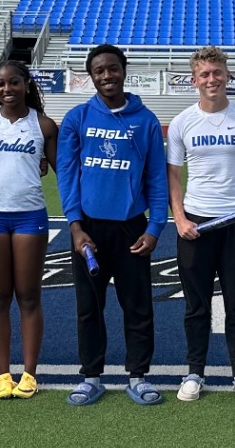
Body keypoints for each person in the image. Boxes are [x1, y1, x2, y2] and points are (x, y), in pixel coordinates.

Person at [57, 45, 169, 406]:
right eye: (99, 71)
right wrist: (75, 226)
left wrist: (155, 227)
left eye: (113, 68)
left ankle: (138, 376)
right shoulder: (77, 118)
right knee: (89, 306)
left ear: (124, 70)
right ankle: (91, 377)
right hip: (88, 229)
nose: (107, 76)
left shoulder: (145, 120)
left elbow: (157, 178)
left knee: (138, 306)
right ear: (91, 76)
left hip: (131, 228)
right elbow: (67, 176)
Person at [167, 47, 235, 404]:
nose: (212, 79)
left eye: (217, 72)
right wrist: (179, 218)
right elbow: (173, 175)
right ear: (194, 80)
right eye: (205, 74)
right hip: (195, 225)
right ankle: (194, 372)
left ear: (227, 76)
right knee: (196, 305)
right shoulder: (182, 122)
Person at [0, 60, 57, 400]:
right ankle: (3, 374)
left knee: (28, 295)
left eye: (14, 83)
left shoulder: (43, 124)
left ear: (27, 85)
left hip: (29, 216)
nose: (7, 89)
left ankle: (30, 373)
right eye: (0, 84)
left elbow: (61, 169)